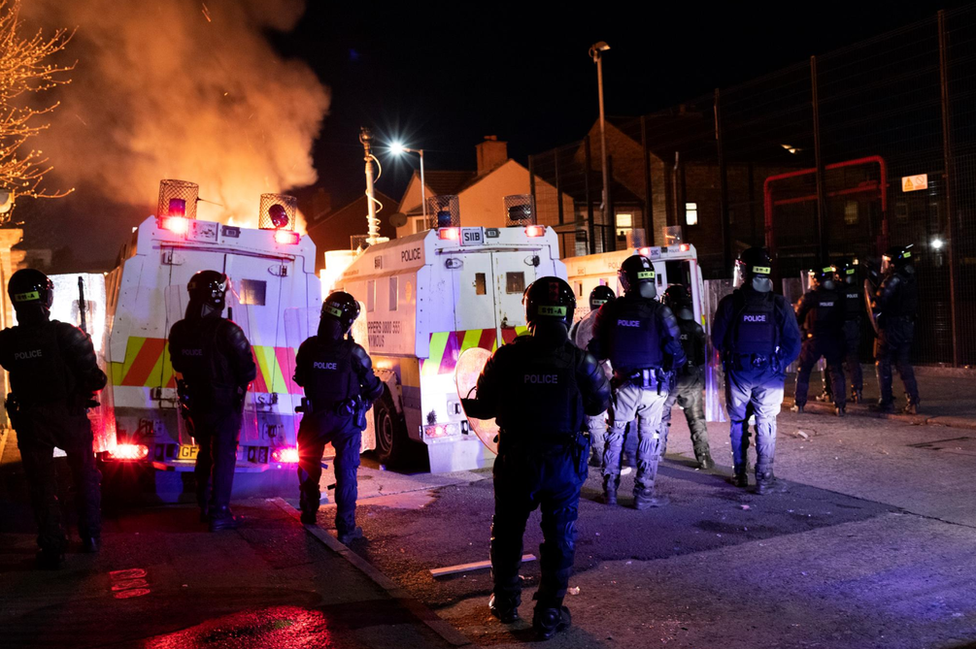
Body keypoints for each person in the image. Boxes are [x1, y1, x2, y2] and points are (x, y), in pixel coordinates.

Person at [463, 277, 610, 640]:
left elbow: (482, 405)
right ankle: (547, 613)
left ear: (529, 311)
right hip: (562, 462)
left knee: (509, 531)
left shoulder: (508, 356)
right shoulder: (581, 360)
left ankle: (506, 602)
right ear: (566, 312)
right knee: (560, 537)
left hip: (516, 459)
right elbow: (599, 403)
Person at [0, 269, 107, 569]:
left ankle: (51, 547)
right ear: (47, 297)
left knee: (41, 485)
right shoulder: (67, 334)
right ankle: (91, 537)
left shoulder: (7, 342)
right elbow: (96, 379)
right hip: (69, 415)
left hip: (31, 419)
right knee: (85, 475)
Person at [589, 254, 686, 509]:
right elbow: (676, 352)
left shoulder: (609, 309)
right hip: (653, 387)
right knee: (649, 438)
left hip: (622, 385)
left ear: (626, 279)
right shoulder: (660, 310)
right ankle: (644, 495)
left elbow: (596, 351)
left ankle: (609, 492)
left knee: (615, 435)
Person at [168, 270, 256, 531]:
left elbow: (179, 362)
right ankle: (219, 513)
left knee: (204, 452)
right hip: (225, 404)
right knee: (224, 456)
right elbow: (248, 371)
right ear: (217, 297)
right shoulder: (227, 330)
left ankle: (204, 507)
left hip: (196, 402)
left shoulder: (179, 330)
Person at [294, 291, 382, 544]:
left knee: (308, 465)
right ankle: (346, 528)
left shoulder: (307, 347)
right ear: (347, 322)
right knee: (346, 472)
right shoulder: (354, 352)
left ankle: (308, 513)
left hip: (313, 418)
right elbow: (374, 387)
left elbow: (301, 378)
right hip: (345, 421)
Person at [712, 248, 801, 494]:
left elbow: (718, 339)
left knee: (739, 421)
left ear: (743, 271)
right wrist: (776, 362)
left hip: (739, 371)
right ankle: (765, 477)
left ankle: (740, 474)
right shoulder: (780, 303)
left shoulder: (730, 303)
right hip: (769, 372)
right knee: (766, 421)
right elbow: (794, 343)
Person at [569, 284, 625, 472]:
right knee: (620, 416)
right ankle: (624, 454)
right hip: (615, 375)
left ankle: (599, 454)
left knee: (595, 418)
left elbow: (575, 349)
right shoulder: (616, 320)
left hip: (590, 376)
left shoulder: (580, 324)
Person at [660, 284, 714, 470]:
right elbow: (702, 357)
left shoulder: (666, 327)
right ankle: (704, 457)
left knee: (660, 419)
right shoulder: (696, 328)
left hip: (670, 379)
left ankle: (657, 455)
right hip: (691, 378)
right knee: (696, 418)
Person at [791, 265, 847, 416]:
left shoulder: (810, 297)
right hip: (833, 339)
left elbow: (797, 316)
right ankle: (840, 405)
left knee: (804, 370)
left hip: (814, 340)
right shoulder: (838, 296)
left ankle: (799, 403)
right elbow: (844, 317)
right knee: (836, 372)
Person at [872, 245, 920, 414]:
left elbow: (878, 303)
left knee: (882, 361)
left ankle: (886, 401)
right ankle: (913, 401)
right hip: (907, 326)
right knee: (904, 363)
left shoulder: (893, 280)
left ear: (893, 263)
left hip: (892, 326)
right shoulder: (911, 278)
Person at [817, 258, 865, 404]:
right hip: (854, 327)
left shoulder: (838, 290)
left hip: (839, 328)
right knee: (853, 360)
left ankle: (830, 392)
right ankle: (857, 391)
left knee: (833, 361)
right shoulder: (857, 289)